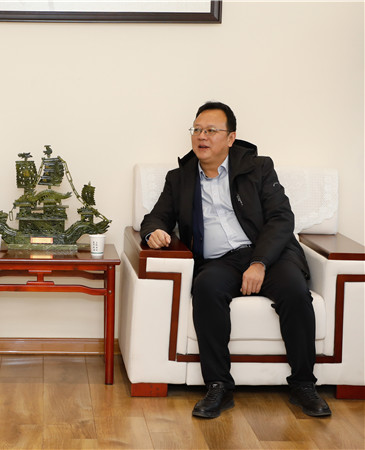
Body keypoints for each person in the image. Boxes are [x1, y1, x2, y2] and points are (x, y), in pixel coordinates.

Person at [140, 101, 331, 419]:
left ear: (231, 138)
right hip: (220, 262)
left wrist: (259, 262)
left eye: (211, 130)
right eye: (197, 129)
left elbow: (282, 218)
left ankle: (303, 385)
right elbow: (155, 217)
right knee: (206, 289)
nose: (202, 136)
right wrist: (154, 233)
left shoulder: (258, 167)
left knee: (295, 292)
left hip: (268, 254)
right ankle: (218, 386)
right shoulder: (180, 178)